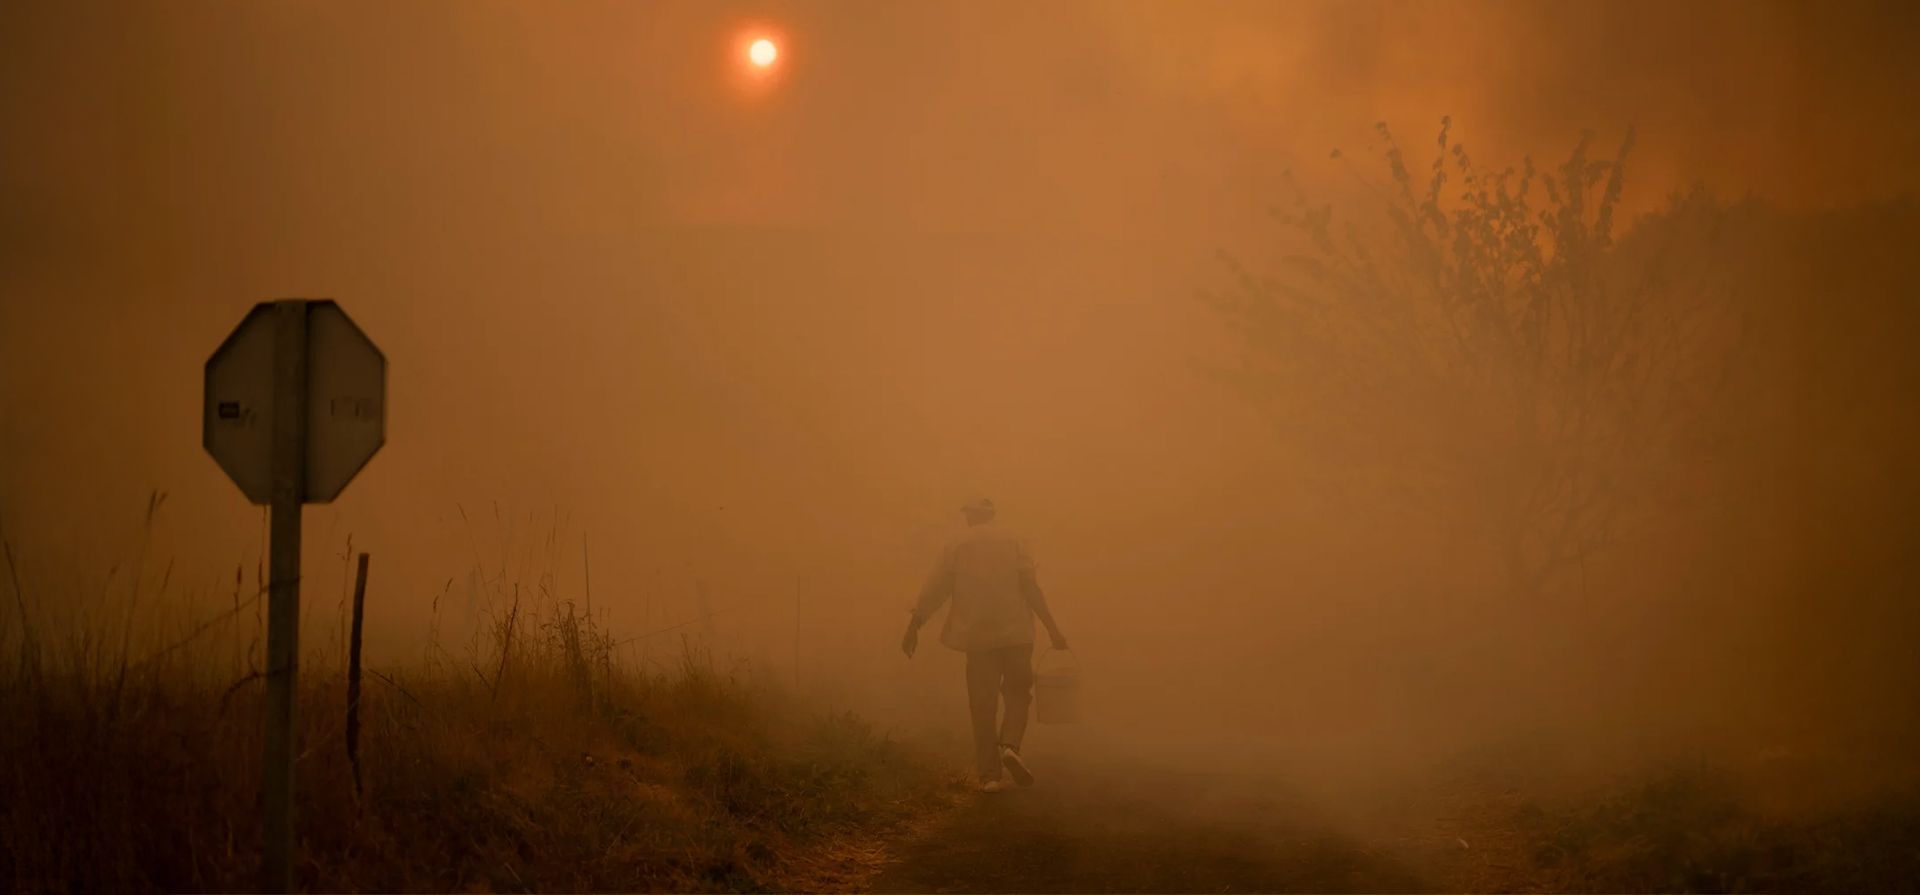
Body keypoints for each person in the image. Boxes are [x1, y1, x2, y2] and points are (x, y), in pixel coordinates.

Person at [901, 498, 1069, 793]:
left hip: (977, 638)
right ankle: (1011, 745)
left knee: (982, 704)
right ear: (993, 515)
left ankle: (989, 776)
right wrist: (1053, 629)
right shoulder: (1016, 540)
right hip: (1017, 634)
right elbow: (1031, 588)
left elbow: (936, 588)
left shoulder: (956, 545)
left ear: (969, 516)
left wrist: (914, 625)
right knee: (1018, 692)